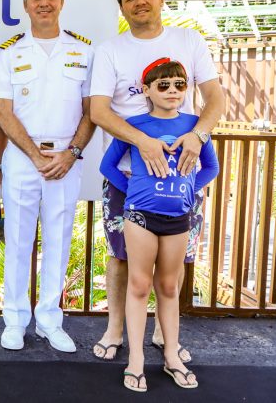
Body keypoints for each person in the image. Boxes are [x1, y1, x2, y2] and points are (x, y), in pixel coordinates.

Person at [90, 0, 225, 362]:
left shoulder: (189, 40)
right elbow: (99, 110)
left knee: (177, 259)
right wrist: (143, 142)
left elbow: (216, 99)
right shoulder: (110, 50)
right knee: (120, 255)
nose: (140, 2)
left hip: (181, 174)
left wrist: (198, 137)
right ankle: (116, 328)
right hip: (128, 175)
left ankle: (167, 337)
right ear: (122, 6)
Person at [0, 0, 95, 353]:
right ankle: (14, 320)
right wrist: (34, 155)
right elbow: (3, 112)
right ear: (26, 5)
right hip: (21, 157)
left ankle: (50, 319)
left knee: (59, 239)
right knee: (16, 239)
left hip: (67, 157)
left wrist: (71, 153)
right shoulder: (10, 53)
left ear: (62, 1)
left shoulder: (84, 51)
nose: (44, 2)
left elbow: (91, 111)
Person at [100, 59, 218, 391]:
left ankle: (171, 356)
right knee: (138, 286)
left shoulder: (196, 126)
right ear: (147, 89)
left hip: (178, 217)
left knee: (168, 287)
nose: (172, 91)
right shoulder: (134, 125)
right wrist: (135, 192)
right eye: (163, 85)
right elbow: (108, 166)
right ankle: (135, 360)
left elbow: (211, 167)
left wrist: (188, 189)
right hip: (139, 217)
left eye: (180, 85)